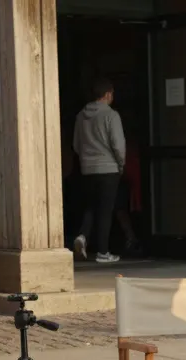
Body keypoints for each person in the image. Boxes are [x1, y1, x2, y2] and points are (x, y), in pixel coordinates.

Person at [71, 75, 126, 264]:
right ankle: (103, 252)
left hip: (87, 169)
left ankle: (83, 236)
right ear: (108, 94)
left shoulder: (80, 116)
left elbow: (76, 145)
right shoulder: (111, 115)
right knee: (105, 211)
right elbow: (118, 144)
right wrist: (121, 163)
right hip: (108, 168)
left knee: (91, 207)